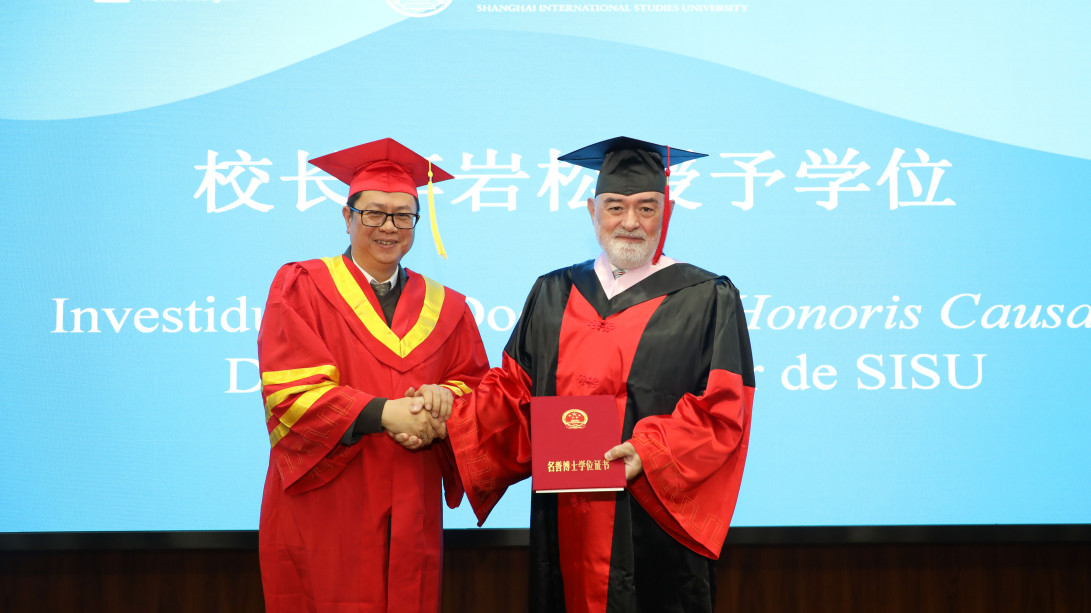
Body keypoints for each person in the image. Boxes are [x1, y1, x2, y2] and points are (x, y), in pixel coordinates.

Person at [444, 136, 755, 613]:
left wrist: (648, 452)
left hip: (653, 525)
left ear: (667, 212)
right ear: (593, 212)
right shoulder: (553, 292)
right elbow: (513, 392)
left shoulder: (707, 297)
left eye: (647, 208)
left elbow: (724, 410)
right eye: (615, 207)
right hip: (565, 515)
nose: (630, 222)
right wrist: (446, 415)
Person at [256, 137, 490, 613]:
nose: (389, 227)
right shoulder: (302, 286)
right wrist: (385, 413)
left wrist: (442, 402)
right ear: (347, 217)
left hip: (412, 496)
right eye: (374, 214)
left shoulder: (448, 306)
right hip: (329, 500)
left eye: (403, 216)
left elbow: (474, 385)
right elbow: (290, 393)